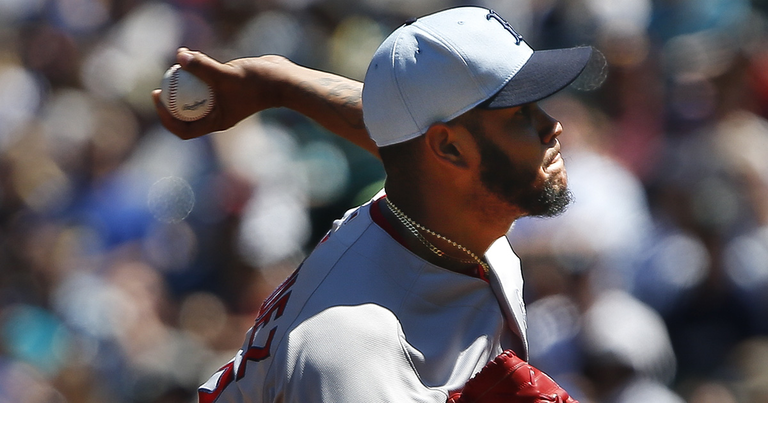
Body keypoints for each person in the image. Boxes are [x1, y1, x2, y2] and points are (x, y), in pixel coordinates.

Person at [154, 6, 593, 403]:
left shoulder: (440, 211)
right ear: (451, 151)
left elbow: (403, 138)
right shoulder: (357, 354)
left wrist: (281, 82)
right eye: (519, 113)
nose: (551, 126)